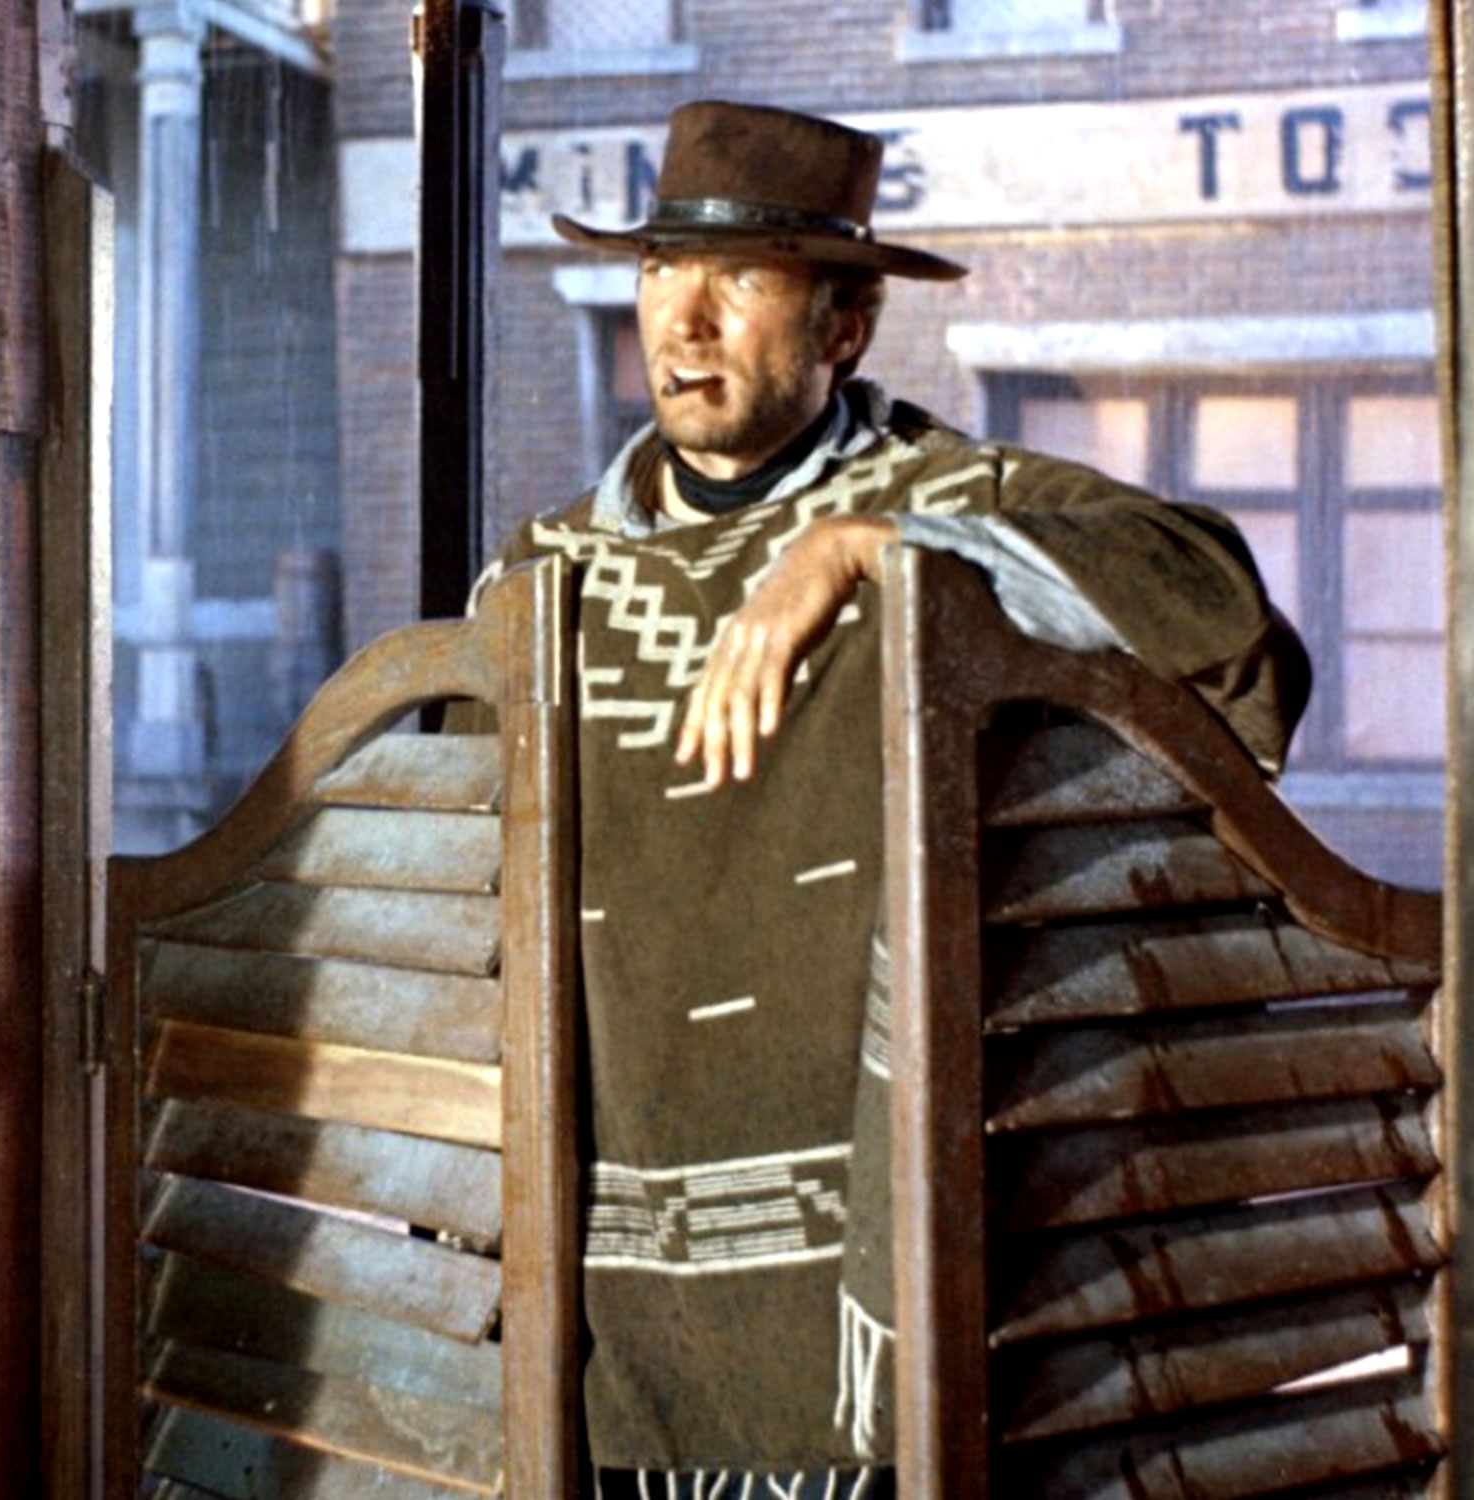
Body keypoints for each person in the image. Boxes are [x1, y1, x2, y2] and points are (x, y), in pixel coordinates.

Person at [479, 99, 1311, 1500]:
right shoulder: (541, 576)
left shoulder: (951, 495)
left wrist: (874, 547)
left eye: (742, 282)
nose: (684, 323)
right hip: (607, 1321)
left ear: (846, 327)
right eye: (662, 274)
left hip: (895, 1283)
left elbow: (1217, 606)